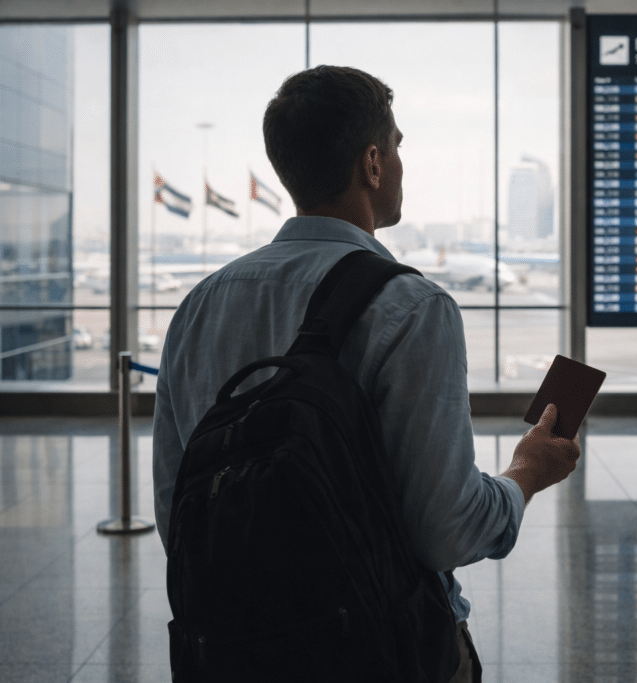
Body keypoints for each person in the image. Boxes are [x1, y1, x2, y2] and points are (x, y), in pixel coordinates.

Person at [152, 65, 581, 682]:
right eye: (398, 146)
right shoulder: (412, 308)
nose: (403, 162)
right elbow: (446, 531)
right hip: (379, 650)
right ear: (372, 164)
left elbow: (177, 515)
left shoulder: (197, 308)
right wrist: (526, 475)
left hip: (232, 650)